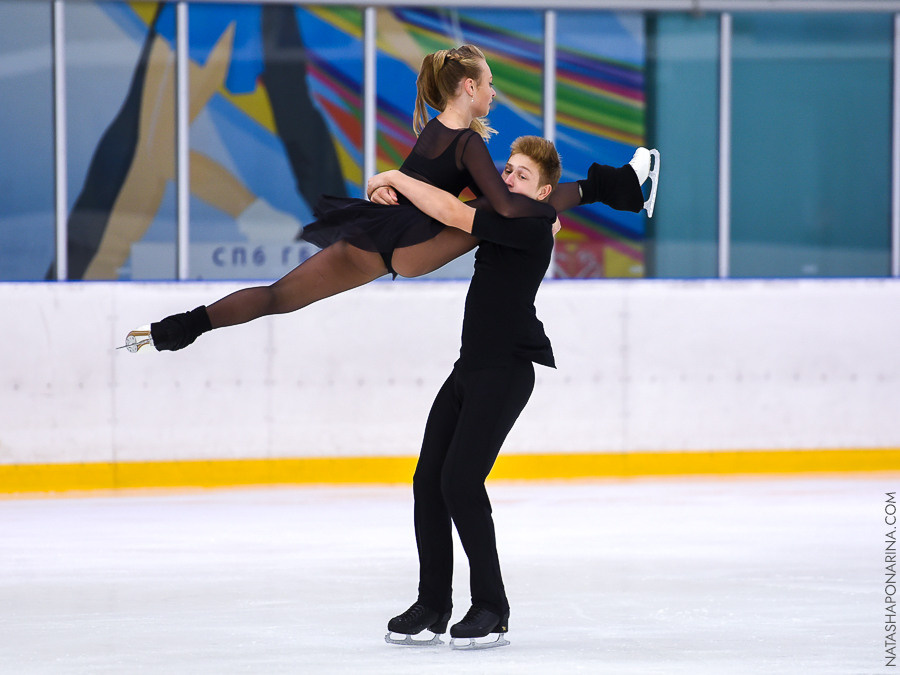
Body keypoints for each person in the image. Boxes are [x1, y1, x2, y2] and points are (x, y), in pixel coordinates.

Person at [122, 44, 651, 352]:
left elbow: (435, 186)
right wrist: (542, 214)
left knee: (277, 297)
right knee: (501, 210)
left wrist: (388, 180)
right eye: (489, 83)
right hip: (412, 245)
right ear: (468, 87)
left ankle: (176, 330)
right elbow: (507, 206)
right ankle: (613, 186)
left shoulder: (435, 130)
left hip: (369, 239)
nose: (494, 93)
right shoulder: (467, 143)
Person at [376, 135, 562, 650]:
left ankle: (492, 608)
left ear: (543, 193)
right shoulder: (512, 215)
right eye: (507, 171)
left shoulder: (530, 225)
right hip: (469, 369)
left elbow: (452, 212)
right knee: (428, 481)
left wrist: (392, 176)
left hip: (505, 371)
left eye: (522, 176)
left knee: (460, 482)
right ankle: (433, 604)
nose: (509, 180)